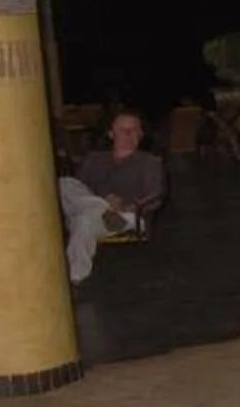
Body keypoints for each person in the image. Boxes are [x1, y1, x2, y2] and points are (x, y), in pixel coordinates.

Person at [58, 111, 164, 284]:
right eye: (123, 130)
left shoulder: (149, 162)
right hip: (95, 211)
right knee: (64, 183)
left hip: (125, 216)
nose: (129, 134)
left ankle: (74, 276)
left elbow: (155, 195)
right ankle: (101, 205)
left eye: (134, 130)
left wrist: (126, 206)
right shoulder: (94, 159)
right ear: (111, 134)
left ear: (141, 134)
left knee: (83, 220)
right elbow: (78, 190)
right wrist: (104, 203)